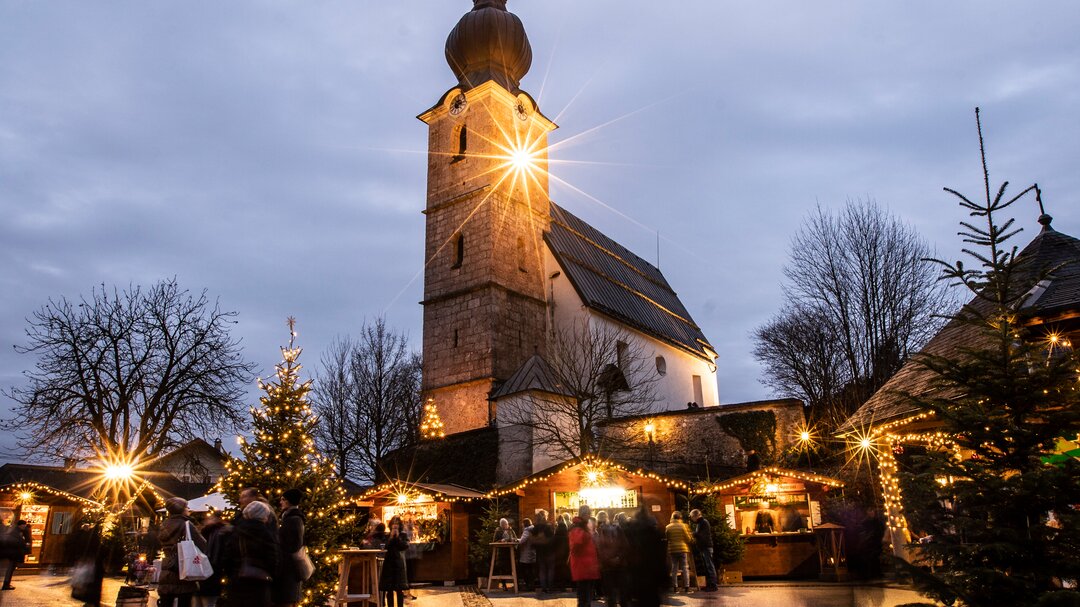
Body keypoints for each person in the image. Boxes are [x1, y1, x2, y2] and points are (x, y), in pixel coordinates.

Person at [222, 500, 280, 607]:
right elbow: (272, 559)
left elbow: (227, 556)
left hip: (237, 580)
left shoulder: (236, 531)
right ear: (263, 516)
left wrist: (232, 573)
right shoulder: (266, 533)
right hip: (259, 582)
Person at [158, 497, 208, 607]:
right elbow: (203, 544)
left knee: (166, 601)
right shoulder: (186, 524)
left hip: (167, 567)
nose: (188, 509)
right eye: (186, 507)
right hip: (183, 567)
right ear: (181, 509)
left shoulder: (164, 525)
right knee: (184, 601)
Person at [624, 506, 665, 607]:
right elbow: (661, 558)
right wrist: (664, 580)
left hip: (636, 577)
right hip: (652, 577)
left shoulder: (630, 533)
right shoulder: (655, 534)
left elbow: (627, 553)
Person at [272, 489, 306, 607]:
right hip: (287, 571)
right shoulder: (289, 518)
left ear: (289, 501)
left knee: (286, 601)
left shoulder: (293, 520)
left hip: (288, 571)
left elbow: (292, 546)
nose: (280, 502)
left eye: (283, 499)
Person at [195, 514, 231, 607]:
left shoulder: (205, 532)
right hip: (211, 573)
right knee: (208, 602)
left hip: (200, 573)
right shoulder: (222, 531)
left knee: (202, 602)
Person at [568, 505, 600, 607]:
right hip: (583, 567)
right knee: (583, 598)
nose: (589, 515)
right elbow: (576, 545)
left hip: (587, 567)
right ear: (583, 514)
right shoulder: (578, 527)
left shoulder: (583, 526)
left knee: (586, 598)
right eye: (588, 513)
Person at [595, 510, 627, 607]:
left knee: (610, 593)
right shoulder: (617, 529)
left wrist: (608, 559)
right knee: (621, 592)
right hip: (619, 565)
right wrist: (619, 558)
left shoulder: (598, 531)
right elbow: (625, 546)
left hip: (607, 566)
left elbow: (599, 549)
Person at [380, 515, 410, 607]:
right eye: (393, 523)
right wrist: (391, 538)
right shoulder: (386, 535)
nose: (395, 525)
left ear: (399, 525)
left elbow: (404, 546)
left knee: (399, 589)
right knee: (389, 589)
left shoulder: (403, 535)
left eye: (397, 523)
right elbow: (384, 547)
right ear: (391, 525)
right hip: (388, 563)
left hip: (399, 564)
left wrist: (397, 538)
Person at [688, 510, 718, 591]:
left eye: (692, 517)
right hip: (704, 547)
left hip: (706, 547)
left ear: (696, 516)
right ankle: (709, 585)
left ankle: (713, 585)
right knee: (707, 567)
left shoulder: (703, 522)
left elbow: (702, 535)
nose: (692, 519)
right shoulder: (701, 523)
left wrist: (693, 534)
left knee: (709, 566)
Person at [664, 511, 693, 593]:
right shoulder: (684, 526)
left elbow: (667, 538)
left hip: (672, 549)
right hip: (683, 549)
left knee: (674, 568)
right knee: (685, 568)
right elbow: (688, 539)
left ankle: (675, 588)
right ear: (680, 518)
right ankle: (687, 588)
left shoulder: (668, 527)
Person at [530, 510, 555, 594]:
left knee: (542, 570)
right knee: (550, 569)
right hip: (549, 551)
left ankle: (544, 588)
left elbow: (532, 540)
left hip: (540, 551)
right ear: (545, 516)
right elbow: (552, 539)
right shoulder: (549, 526)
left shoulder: (535, 527)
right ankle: (550, 587)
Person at [493, 517, 517, 589]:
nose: (505, 526)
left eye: (505, 524)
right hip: (502, 552)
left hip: (510, 551)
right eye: (503, 525)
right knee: (502, 568)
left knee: (512, 567)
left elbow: (515, 538)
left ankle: (515, 584)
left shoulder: (511, 530)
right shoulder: (498, 531)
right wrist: (501, 540)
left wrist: (511, 539)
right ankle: (504, 584)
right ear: (501, 525)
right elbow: (494, 540)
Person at [0, 515, 23, 590]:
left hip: (5, 552)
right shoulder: (7, 529)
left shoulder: (6, 529)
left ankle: (6, 584)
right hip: (9, 553)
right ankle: (6, 584)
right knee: (9, 569)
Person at [517, 518, 536, 591]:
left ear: (525, 523)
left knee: (526, 570)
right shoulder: (533, 529)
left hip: (526, 553)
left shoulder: (527, 530)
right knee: (531, 570)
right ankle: (532, 585)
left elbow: (522, 541)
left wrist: (517, 540)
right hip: (532, 552)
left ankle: (529, 586)